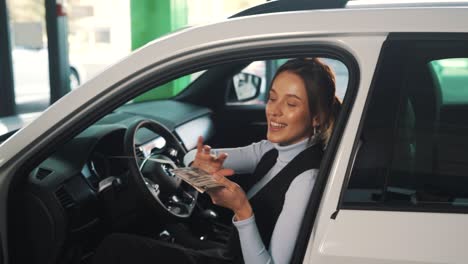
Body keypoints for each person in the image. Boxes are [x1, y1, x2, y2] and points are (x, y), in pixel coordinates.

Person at [92, 58, 341, 264]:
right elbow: (192, 157)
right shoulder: (271, 148)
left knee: (115, 248)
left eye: (291, 104)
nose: (274, 111)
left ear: (316, 117)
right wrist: (201, 166)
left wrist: (242, 210)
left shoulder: (305, 180)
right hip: (229, 249)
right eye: (273, 98)